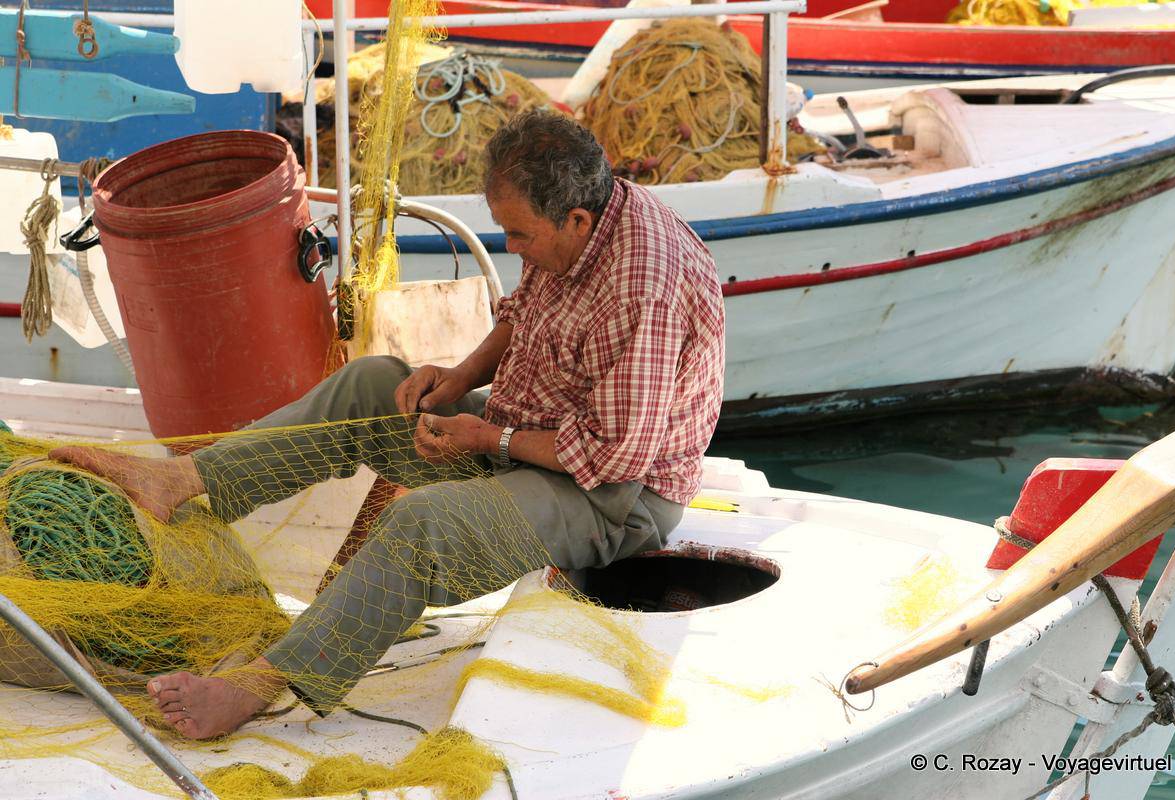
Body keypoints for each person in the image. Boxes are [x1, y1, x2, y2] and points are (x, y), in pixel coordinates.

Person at [51, 109, 726, 739]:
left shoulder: (645, 286)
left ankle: (259, 686)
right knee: (370, 383)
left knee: (421, 522)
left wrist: (485, 437)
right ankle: (181, 479)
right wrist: (460, 378)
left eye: (520, 234)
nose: (511, 246)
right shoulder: (581, 223)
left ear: (577, 219)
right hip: (531, 437)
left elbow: (613, 457)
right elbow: (526, 313)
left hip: (614, 498)